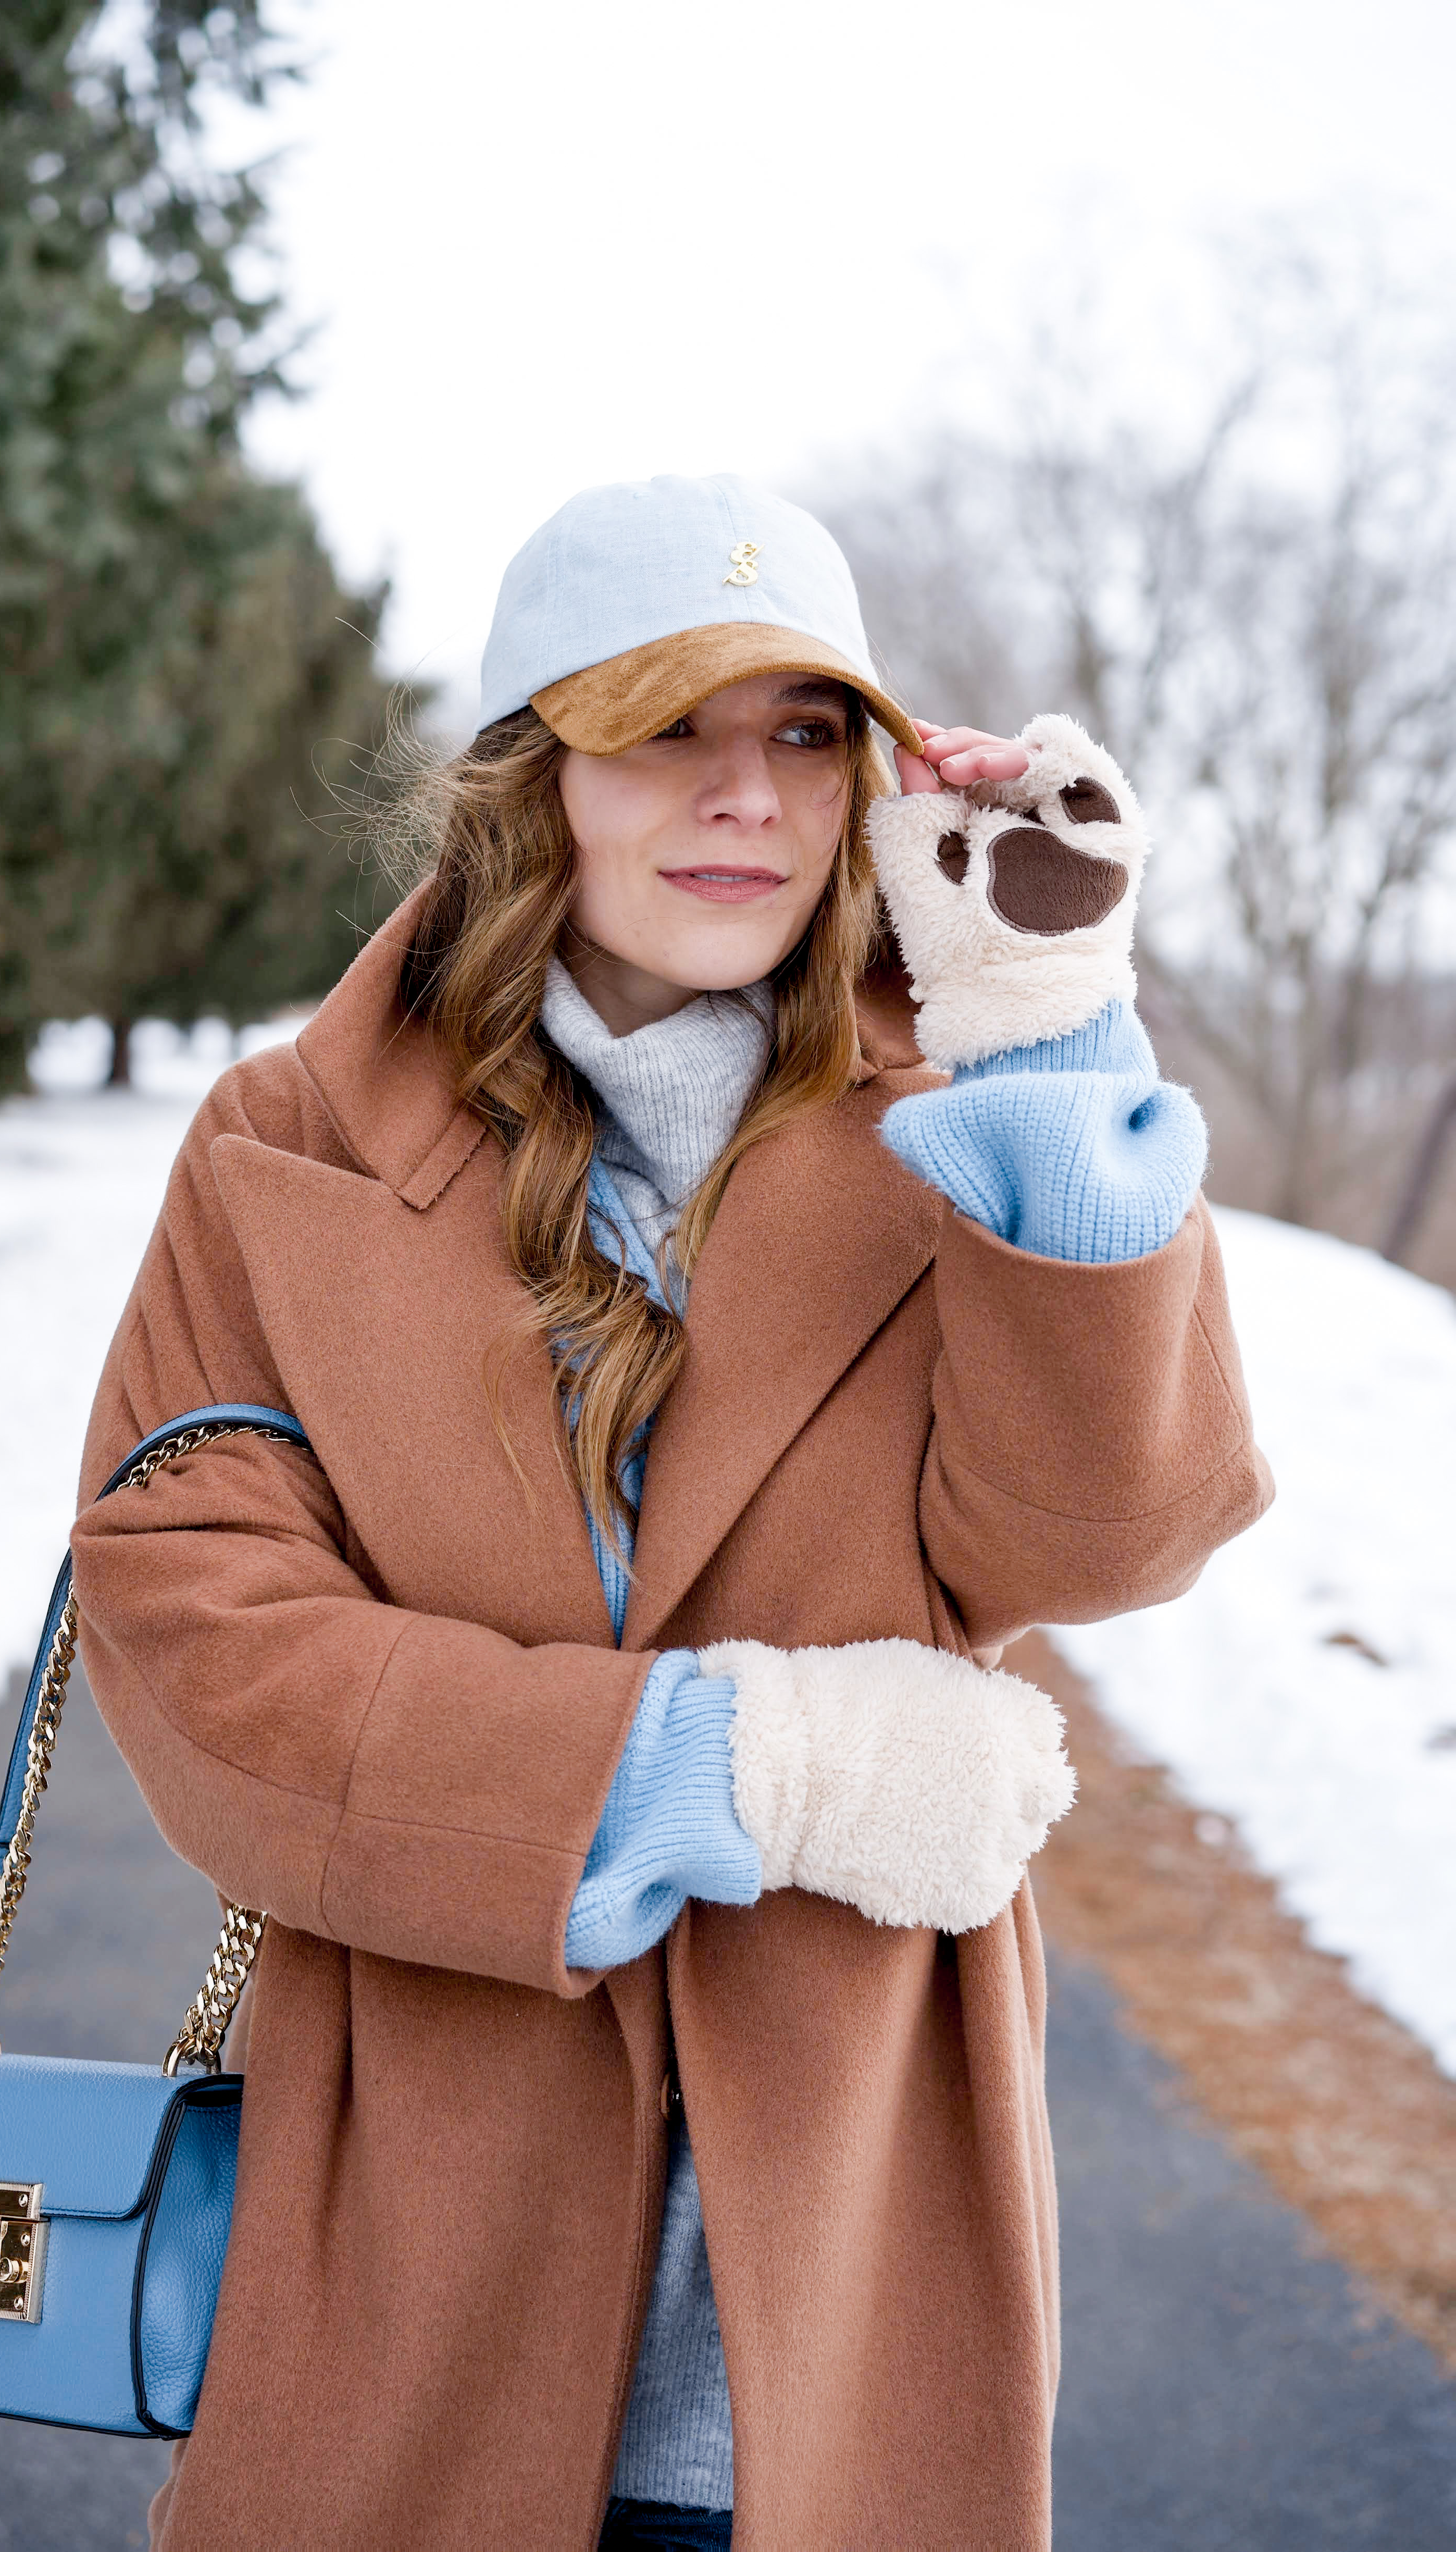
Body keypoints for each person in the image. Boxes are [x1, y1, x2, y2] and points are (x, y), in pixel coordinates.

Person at [72, 473, 1272, 2551]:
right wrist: (740, 1767)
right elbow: (198, 1636)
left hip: (831, 2249)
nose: (746, 795)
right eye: (667, 727)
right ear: (536, 778)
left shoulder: (951, 1125)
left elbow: (1106, 1537)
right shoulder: (291, 1147)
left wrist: (1051, 1039)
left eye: (806, 734)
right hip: (416, 2234)